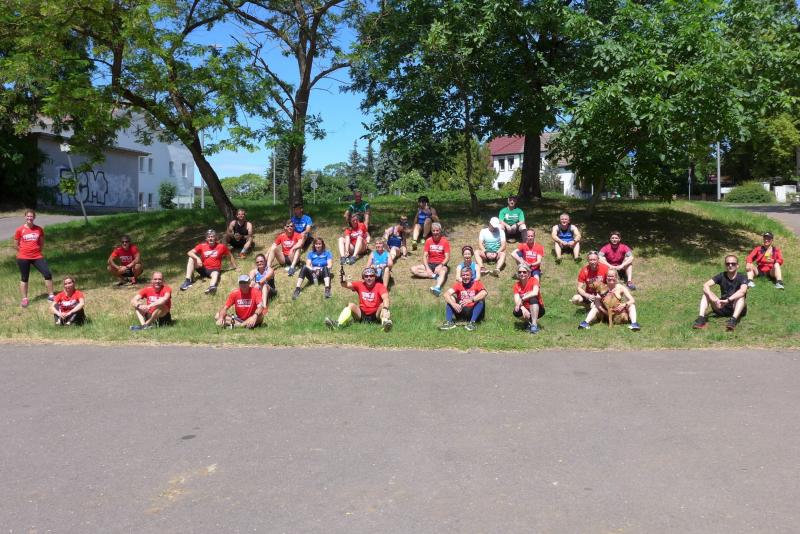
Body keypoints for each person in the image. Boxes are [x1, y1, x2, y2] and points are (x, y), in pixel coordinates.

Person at [325, 266, 392, 332]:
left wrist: (385, 308)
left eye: (371, 276)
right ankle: (337, 324)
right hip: (362, 315)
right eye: (366, 276)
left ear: (375, 277)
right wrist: (342, 279)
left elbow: (386, 298)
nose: (369, 278)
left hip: (376, 314)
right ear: (363, 278)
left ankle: (385, 325)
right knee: (350, 305)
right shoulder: (360, 284)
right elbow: (345, 285)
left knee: (383, 305)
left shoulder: (380, 286)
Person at [693, 254, 748, 331]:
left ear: (737, 265)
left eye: (733, 263)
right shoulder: (721, 275)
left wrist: (728, 300)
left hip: (736, 307)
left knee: (741, 297)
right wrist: (712, 298)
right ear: (725, 265)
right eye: (728, 264)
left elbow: (743, 291)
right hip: (722, 306)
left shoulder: (742, 277)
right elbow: (705, 285)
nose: (730, 265)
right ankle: (701, 318)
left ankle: (733, 320)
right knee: (706, 293)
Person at [14, 209, 54, 307]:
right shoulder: (20, 230)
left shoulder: (39, 229)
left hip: (37, 256)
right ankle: (24, 299)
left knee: (47, 273)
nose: (29, 218)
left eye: (31, 216)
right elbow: (16, 244)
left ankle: (51, 295)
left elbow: (41, 243)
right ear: (25, 217)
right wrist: (23, 252)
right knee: (24, 278)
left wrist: (37, 251)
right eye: (28, 216)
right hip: (23, 257)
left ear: (34, 217)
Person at [180, 229, 238, 294]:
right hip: (203, 268)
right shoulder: (202, 245)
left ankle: (211, 287)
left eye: (212, 236)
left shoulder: (221, 246)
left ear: (215, 237)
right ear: (206, 238)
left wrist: (235, 267)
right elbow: (189, 252)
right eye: (208, 237)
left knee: (215, 274)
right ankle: (188, 281)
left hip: (214, 270)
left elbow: (230, 255)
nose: (210, 238)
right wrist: (197, 258)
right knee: (191, 258)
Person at [439, 265, 488, 331]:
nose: (465, 277)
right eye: (463, 275)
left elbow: (484, 293)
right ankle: (449, 322)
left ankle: (472, 323)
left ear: (471, 276)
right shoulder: (458, 284)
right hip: (461, 312)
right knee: (451, 298)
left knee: (481, 299)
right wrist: (453, 304)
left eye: (467, 275)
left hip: (474, 312)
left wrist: (471, 300)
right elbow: (446, 294)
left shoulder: (476, 283)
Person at [411, 222, 450, 296]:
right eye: (433, 231)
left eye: (437, 230)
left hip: (441, 264)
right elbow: (425, 256)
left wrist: (441, 265)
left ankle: (437, 287)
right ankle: (433, 276)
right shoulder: (428, 241)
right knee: (413, 269)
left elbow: (447, 257)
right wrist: (427, 268)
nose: (435, 232)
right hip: (430, 264)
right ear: (431, 231)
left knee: (443, 272)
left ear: (440, 231)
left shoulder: (445, 241)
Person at [512, 264, 545, 334]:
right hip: (526, 309)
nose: (522, 274)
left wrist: (522, 299)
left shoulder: (534, 280)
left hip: (538, 308)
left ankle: (534, 325)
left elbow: (535, 292)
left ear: (529, 273)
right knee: (516, 310)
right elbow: (517, 300)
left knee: (533, 298)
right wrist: (523, 308)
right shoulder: (516, 285)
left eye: (524, 272)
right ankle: (529, 322)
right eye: (520, 272)